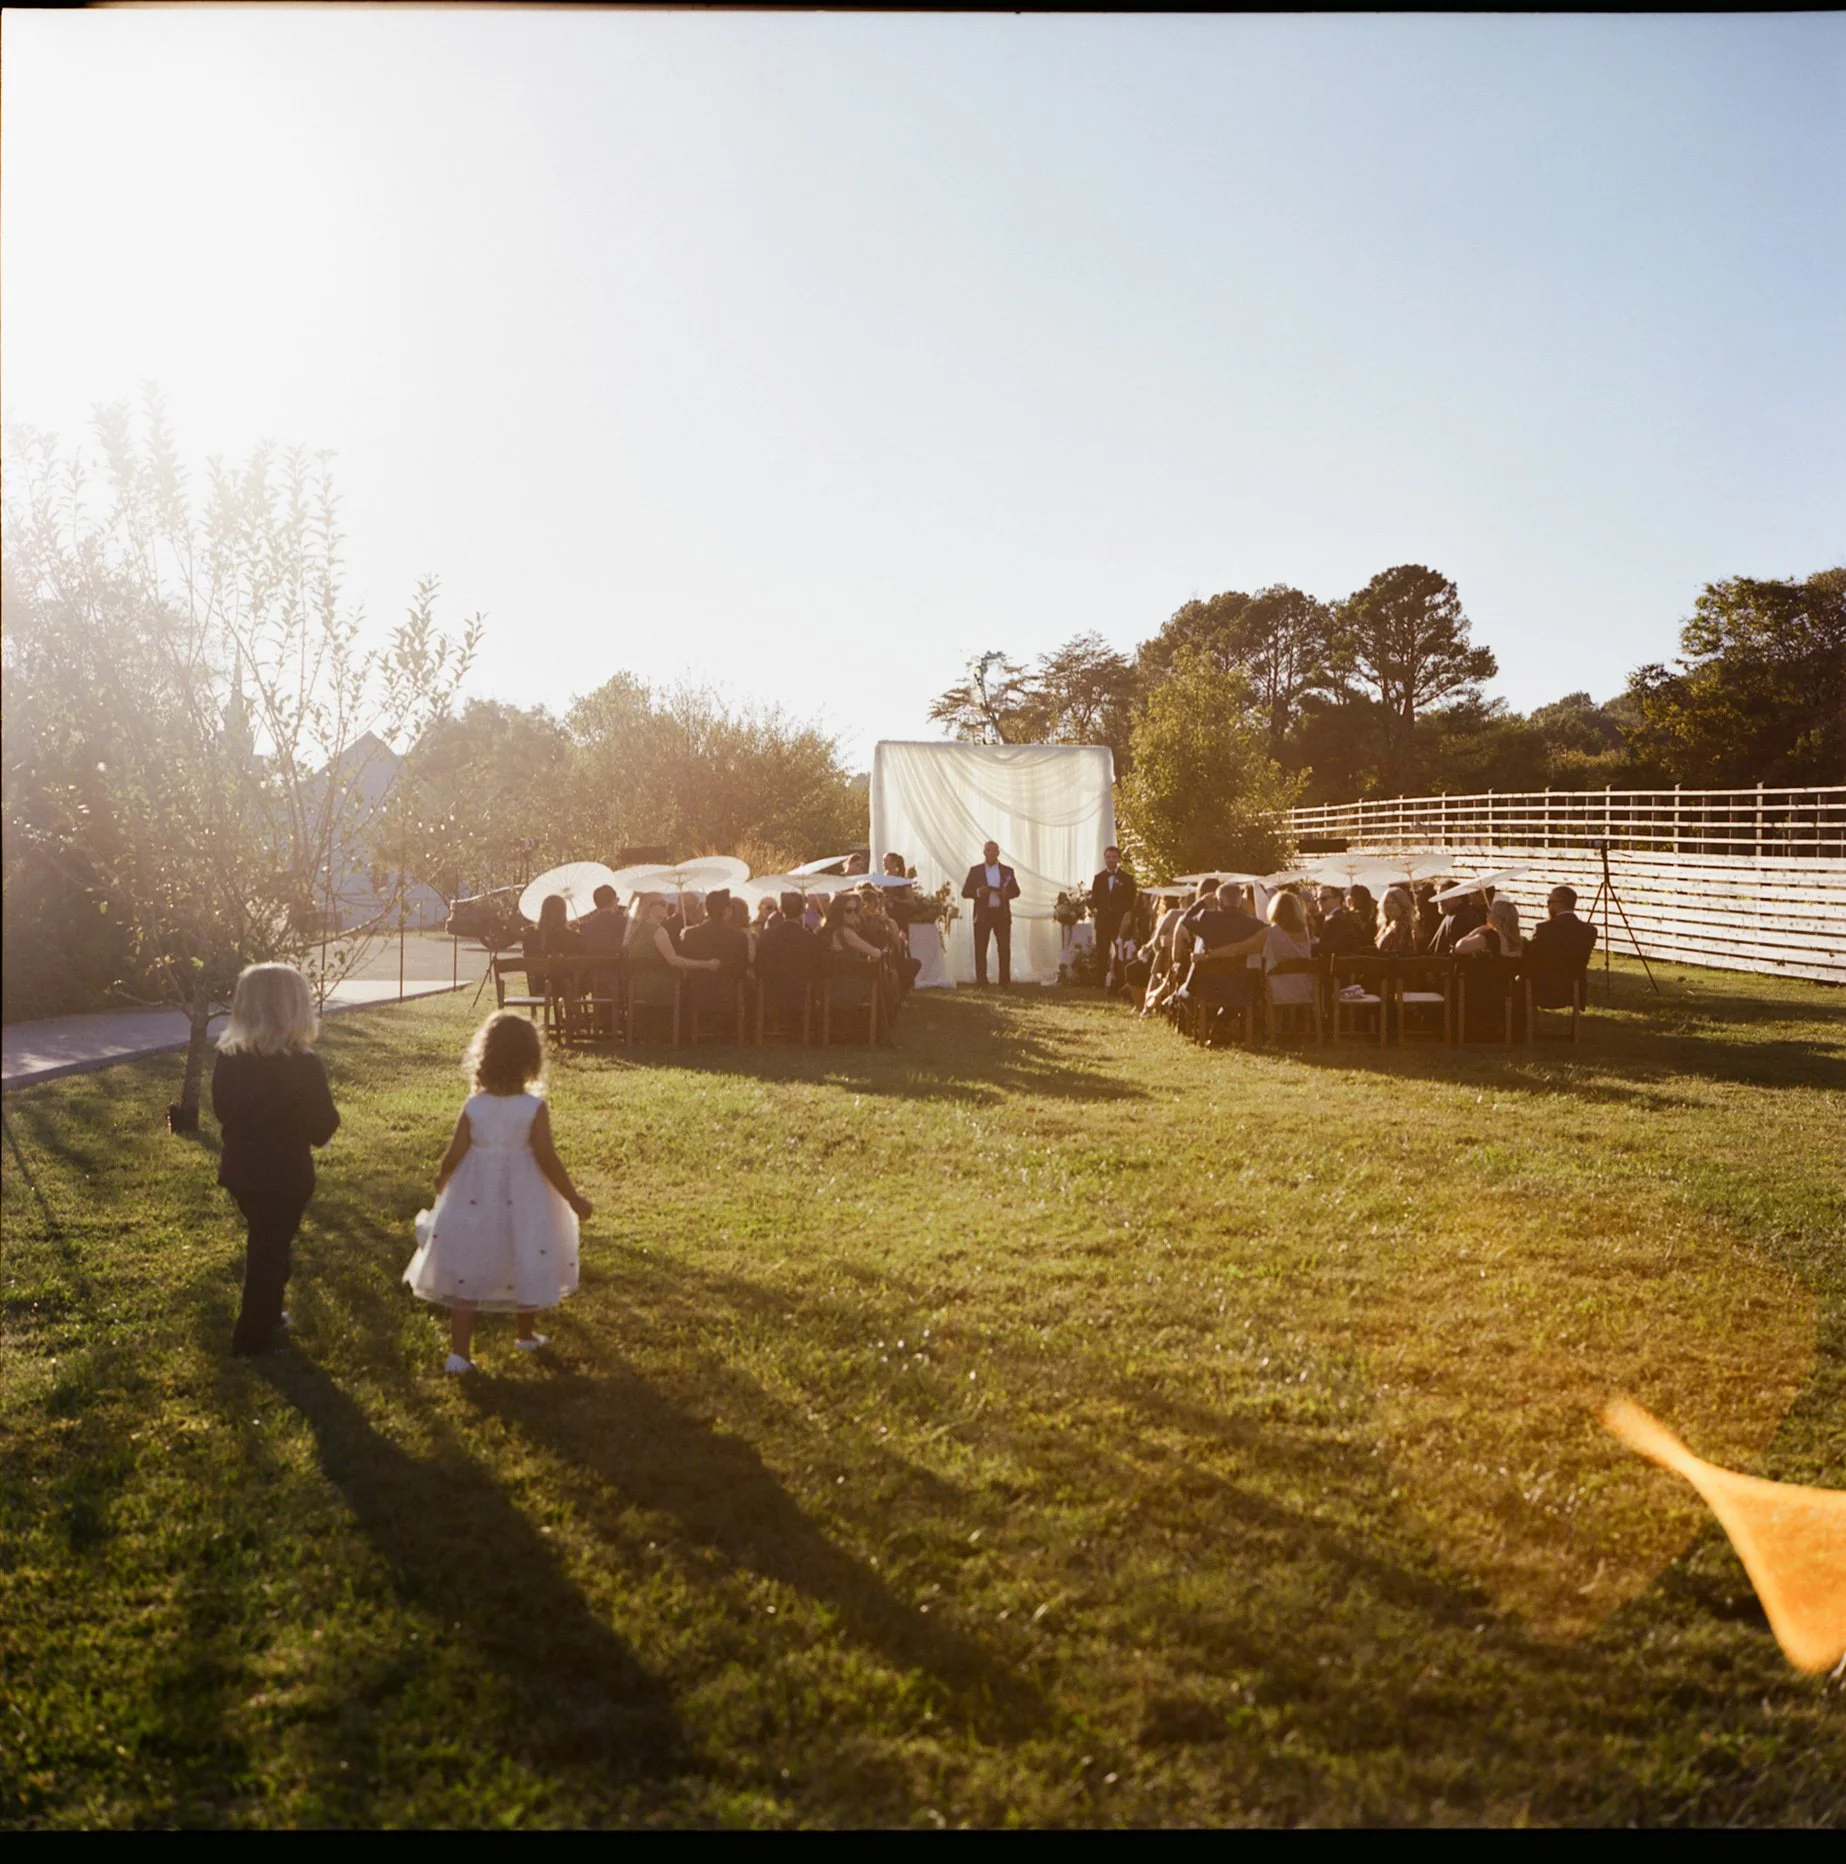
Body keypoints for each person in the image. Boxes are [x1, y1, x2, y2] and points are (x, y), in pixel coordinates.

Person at [404, 1011, 592, 1375]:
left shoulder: (475, 1106)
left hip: (476, 1194)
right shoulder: (533, 1108)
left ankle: (459, 1354)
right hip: (526, 1196)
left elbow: (455, 1152)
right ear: (530, 1060)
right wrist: (572, 1197)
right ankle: (525, 1333)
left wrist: (443, 1181)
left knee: (469, 1269)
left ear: (485, 1057)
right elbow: (546, 1157)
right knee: (526, 1251)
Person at [212, 963, 340, 1358]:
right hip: (285, 1176)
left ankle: (269, 1316)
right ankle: (252, 1339)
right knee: (268, 1252)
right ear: (296, 1009)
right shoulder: (303, 1065)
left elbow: (220, 1110)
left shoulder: (230, 1058)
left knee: (271, 1244)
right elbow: (322, 1128)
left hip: (241, 1172)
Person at [1174, 880, 1268, 1038]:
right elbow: (1265, 927)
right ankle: (1219, 1024)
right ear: (1240, 901)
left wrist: (1200, 903)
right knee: (1237, 999)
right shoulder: (1251, 924)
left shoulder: (1207, 918)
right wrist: (1247, 909)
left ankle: (1206, 1023)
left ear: (1219, 901)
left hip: (1207, 985)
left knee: (1183, 993)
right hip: (1239, 984)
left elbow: (1185, 920)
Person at [961, 840, 1021, 987]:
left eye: (994, 851)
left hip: (1002, 914)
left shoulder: (1008, 871)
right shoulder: (975, 871)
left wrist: (1006, 894)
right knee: (981, 949)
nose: (991, 853)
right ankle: (982, 981)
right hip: (983, 914)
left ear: (998, 853)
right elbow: (965, 892)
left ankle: (1004, 981)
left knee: (1004, 948)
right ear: (984, 852)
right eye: (988, 850)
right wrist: (978, 892)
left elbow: (1016, 891)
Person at [1526, 885, 1598, 1005]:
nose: (1548, 906)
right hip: (1573, 988)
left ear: (1558, 903)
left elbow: (1532, 959)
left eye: (1549, 902)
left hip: (1544, 989)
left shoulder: (1543, 929)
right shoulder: (1589, 930)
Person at [577, 884, 628, 1038]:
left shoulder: (586, 926)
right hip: (619, 972)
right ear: (613, 900)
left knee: (602, 983)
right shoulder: (624, 922)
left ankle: (604, 1023)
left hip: (594, 975)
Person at [1263, 889, 1318, 1016]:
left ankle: (1269, 1029)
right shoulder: (1305, 932)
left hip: (1277, 993)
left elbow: (1242, 947)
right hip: (1304, 990)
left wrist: (1214, 953)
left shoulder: (1270, 933)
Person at [1089, 846, 1138, 989]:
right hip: (1103, 921)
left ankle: (1118, 982)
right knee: (1101, 953)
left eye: (1113, 857)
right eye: (1108, 857)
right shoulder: (1099, 878)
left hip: (1119, 922)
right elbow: (1094, 898)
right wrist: (1094, 909)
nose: (1110, 860)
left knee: (1120, 953)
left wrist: (1125, 917)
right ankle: (1099, 983)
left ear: (1118, 859)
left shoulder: (1127, 879)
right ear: (1105, 858)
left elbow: (1131, 900)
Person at [1318, 884, 1377, 957]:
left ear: (1338, 899)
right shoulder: (1336, 917)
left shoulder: (1338, 919)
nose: (1319, 902)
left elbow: (1333, 947)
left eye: (1324, 898)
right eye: (1317, 899)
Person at [1456, 896, 1523, 957]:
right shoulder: (1519, 940)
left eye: (1489, 911)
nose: (1486, 913)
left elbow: (1459, 948)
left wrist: (1476, 931)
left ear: (1497, 917)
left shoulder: (1490, 937)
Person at [1376, 885, 1418, 955]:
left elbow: (1398, 952)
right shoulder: (1388, 925)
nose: (1389, 905)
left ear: (1402, 905)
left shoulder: (1402, 926)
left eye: (1393, 902)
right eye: (1386, 902)